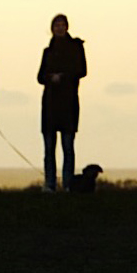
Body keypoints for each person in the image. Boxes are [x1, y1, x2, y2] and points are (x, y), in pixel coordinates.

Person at [36, 13, 89, 191]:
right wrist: (51, 77)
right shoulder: (47, 51)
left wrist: (63, 77)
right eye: (56, 25)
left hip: (68, 102)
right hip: (50, 103)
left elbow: (81, 70)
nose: (59, 28)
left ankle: (68, 184)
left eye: (62, 25)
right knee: (49, 148)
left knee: (68, 146)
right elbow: (40, 77)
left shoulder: (76, 47)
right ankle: (50, 183)